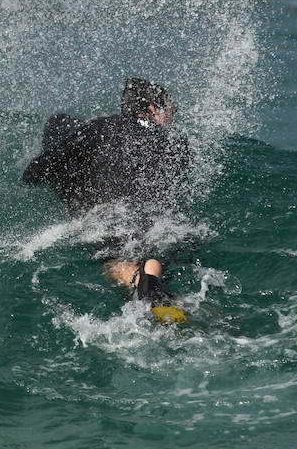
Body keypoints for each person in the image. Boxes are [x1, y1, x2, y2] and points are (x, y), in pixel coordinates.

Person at [23, 77, 192, 303]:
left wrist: (35, 180)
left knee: (114, 261)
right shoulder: (179, 143)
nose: (173, 119)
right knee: (155, 249)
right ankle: (153, 273)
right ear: (154, 110)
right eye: (172, 111)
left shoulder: (102, 127)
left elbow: (42, 166)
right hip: (160, 226)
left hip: (113, 221)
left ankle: (136, 280)